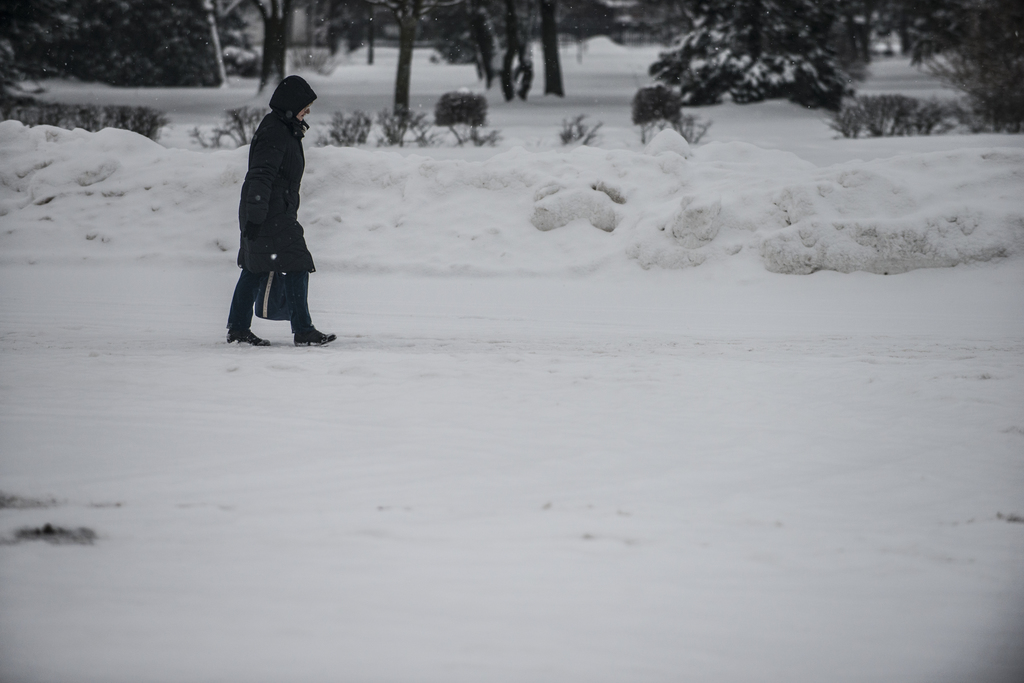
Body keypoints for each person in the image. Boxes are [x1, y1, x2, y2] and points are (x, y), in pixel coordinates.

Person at [226, 75, 336, 347]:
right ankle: (303, 330)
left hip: (272, 211)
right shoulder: (275, 131)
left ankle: (238, 328)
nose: (307, 111)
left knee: (255, 268)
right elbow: (260, 175)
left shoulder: (285, 127)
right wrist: (255, 215)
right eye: (304, 106)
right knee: (296, 263)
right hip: (267, 213)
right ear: (290, 105)